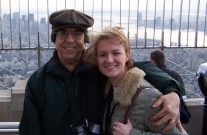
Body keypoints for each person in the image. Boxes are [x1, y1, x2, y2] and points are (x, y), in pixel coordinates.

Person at [19, 9, 183, 135]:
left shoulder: (98, 69)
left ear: (85, 39)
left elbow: (134, 67)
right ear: (54, 38)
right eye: (63, 33)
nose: (70, 39)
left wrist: (172, 91)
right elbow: (30, 129)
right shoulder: (38, 82)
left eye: (77, 33)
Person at [83, 26, 188, 135]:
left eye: (116, 53)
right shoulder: (109, 91)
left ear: (127, 56)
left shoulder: (148, 97)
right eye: (103, 54)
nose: (109, 60)